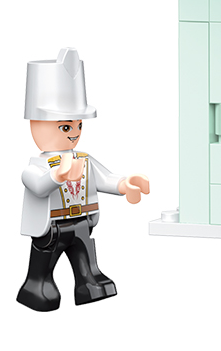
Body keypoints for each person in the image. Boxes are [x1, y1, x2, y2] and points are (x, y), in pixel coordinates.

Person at [18, 48, 150, 311]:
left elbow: (104, 178)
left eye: (79, 125)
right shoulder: (38, 166)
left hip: (82, 224)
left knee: (86, 259)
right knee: (43, 266)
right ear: (36, 124)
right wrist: (58, 175)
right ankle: (36, 286)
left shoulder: (83, 159)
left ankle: (88, 281)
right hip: (51, 229)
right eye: (66, 127)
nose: (74, 133)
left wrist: (125, 184)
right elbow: (36, 185)